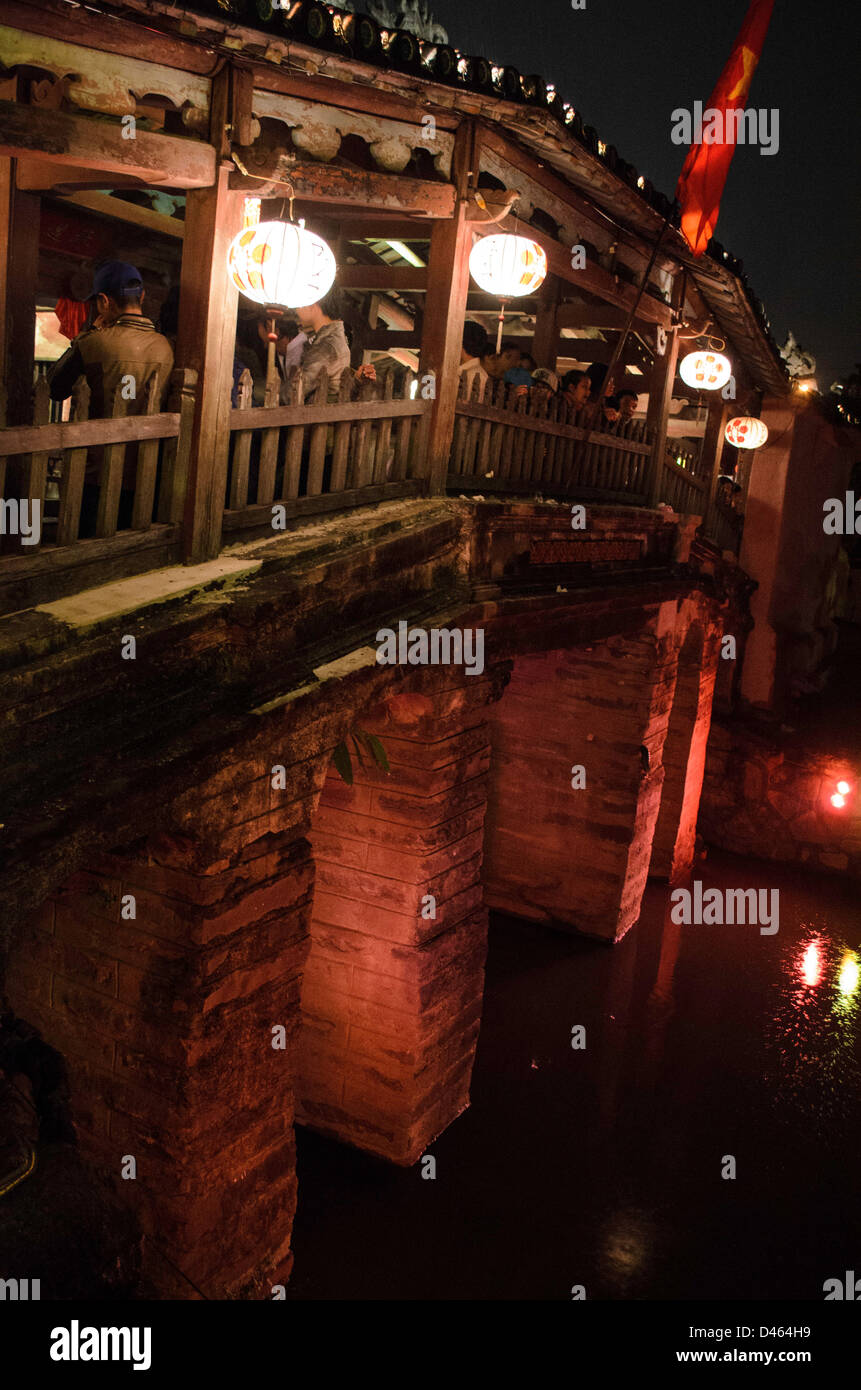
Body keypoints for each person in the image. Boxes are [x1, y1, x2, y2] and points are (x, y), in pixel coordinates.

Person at [48, 261, 174, 536]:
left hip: (95, 473)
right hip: (145, 472)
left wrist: (89, 332)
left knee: (85, 543)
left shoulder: (95, 342)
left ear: (104, 302)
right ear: (141, 297)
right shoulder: (165, 347)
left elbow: (54, 387)